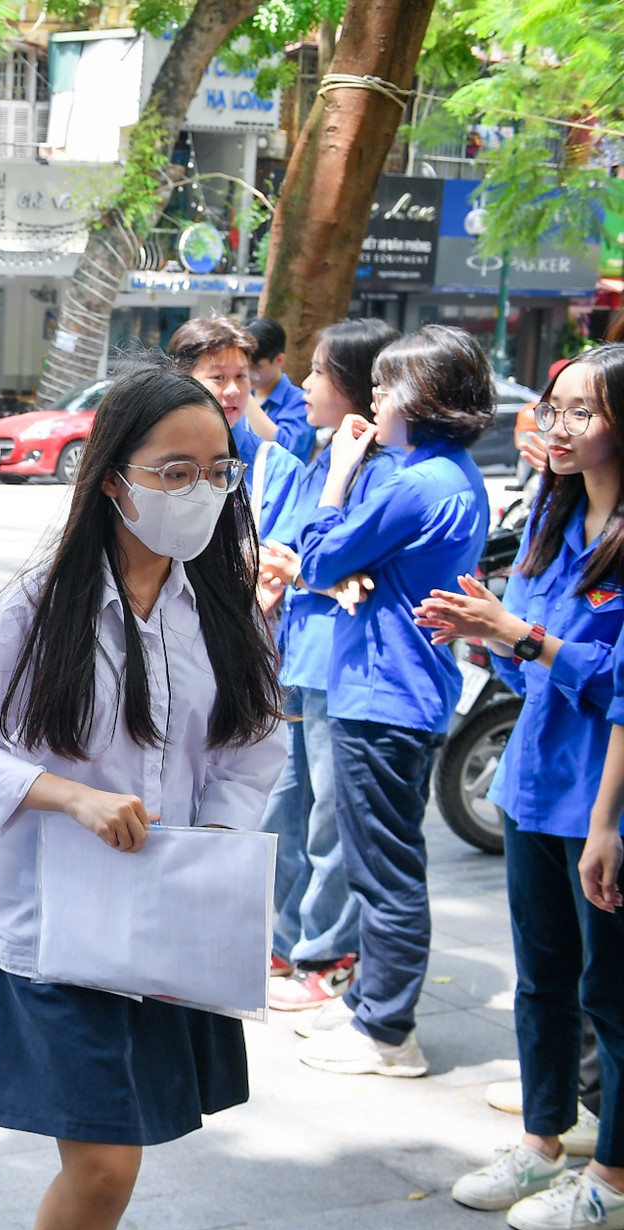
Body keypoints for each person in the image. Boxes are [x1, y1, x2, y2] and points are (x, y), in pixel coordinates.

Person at [0, 366, 284, 1230]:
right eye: (176, 470)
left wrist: (215, 839)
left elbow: (254, 747)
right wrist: (70, 796)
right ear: (114, 478)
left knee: (117, 1156)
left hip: (172, 914)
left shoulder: (225, 608)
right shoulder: (41, 605)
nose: (202, 491)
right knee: (105, 1161)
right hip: (56, 925)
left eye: (219, 471)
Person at [421, 346, 624, 1230]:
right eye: (558, 407)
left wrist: (526, 637)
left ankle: (611, 1176)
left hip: (603, 806)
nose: (563, 425)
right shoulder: (552, 516)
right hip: (533, 784)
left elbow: (612, 682)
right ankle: (546, 1141)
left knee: (611, 996)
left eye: (586, 410)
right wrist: (485, 628)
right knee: (542, 983)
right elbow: (528, 654)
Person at [293, 325, 491, 1078]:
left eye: (388, 384)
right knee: (384, 861)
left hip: (386, 696)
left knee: (384, 870)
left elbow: (318, 557)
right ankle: (372, 1009)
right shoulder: (444, 473)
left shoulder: (414, 483)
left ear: (429, 397)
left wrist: (339, 474)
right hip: (404, 690)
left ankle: (386, 1029)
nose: (375, 396)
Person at [256, 319, 402, 1013]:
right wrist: (307, 572)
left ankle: (326, 953)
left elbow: (347, 566)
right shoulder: (321, 455)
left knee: (329, 820)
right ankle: (283, 941)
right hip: (297, 659)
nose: (307, 385)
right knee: (284, 807)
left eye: (320, 372)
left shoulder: (379, 468)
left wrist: (312, 571)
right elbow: (290, 550)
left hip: (342, 664)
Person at [167, 317, 264, 468]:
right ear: (182, 380)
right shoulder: (150, 453)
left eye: (241, 376)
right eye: (218, 377)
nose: (234, 390)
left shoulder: (275, 469)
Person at [243, 316, 317, 464]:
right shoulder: (245, 395)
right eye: (244, 366)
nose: (248, 373)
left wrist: (244, 397)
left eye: (256, 366)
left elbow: (288, 449)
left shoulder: (301, 401)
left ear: (279, 360)